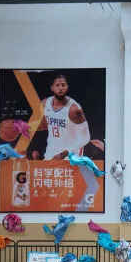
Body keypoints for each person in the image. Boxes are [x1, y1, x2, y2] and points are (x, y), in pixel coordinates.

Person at [34, 73, 104, 211]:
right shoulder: (45, 104)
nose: (61, 88)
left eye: (63, 85)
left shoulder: (74, 109)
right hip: (51, 153)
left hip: (71, 155)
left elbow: (86, 137)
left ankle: (79, 213)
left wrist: (64, 153)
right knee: (49, 195)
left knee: (72, 193)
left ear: (67, 87)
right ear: (52, 88)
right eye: (57, 85)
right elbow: (42, 125)